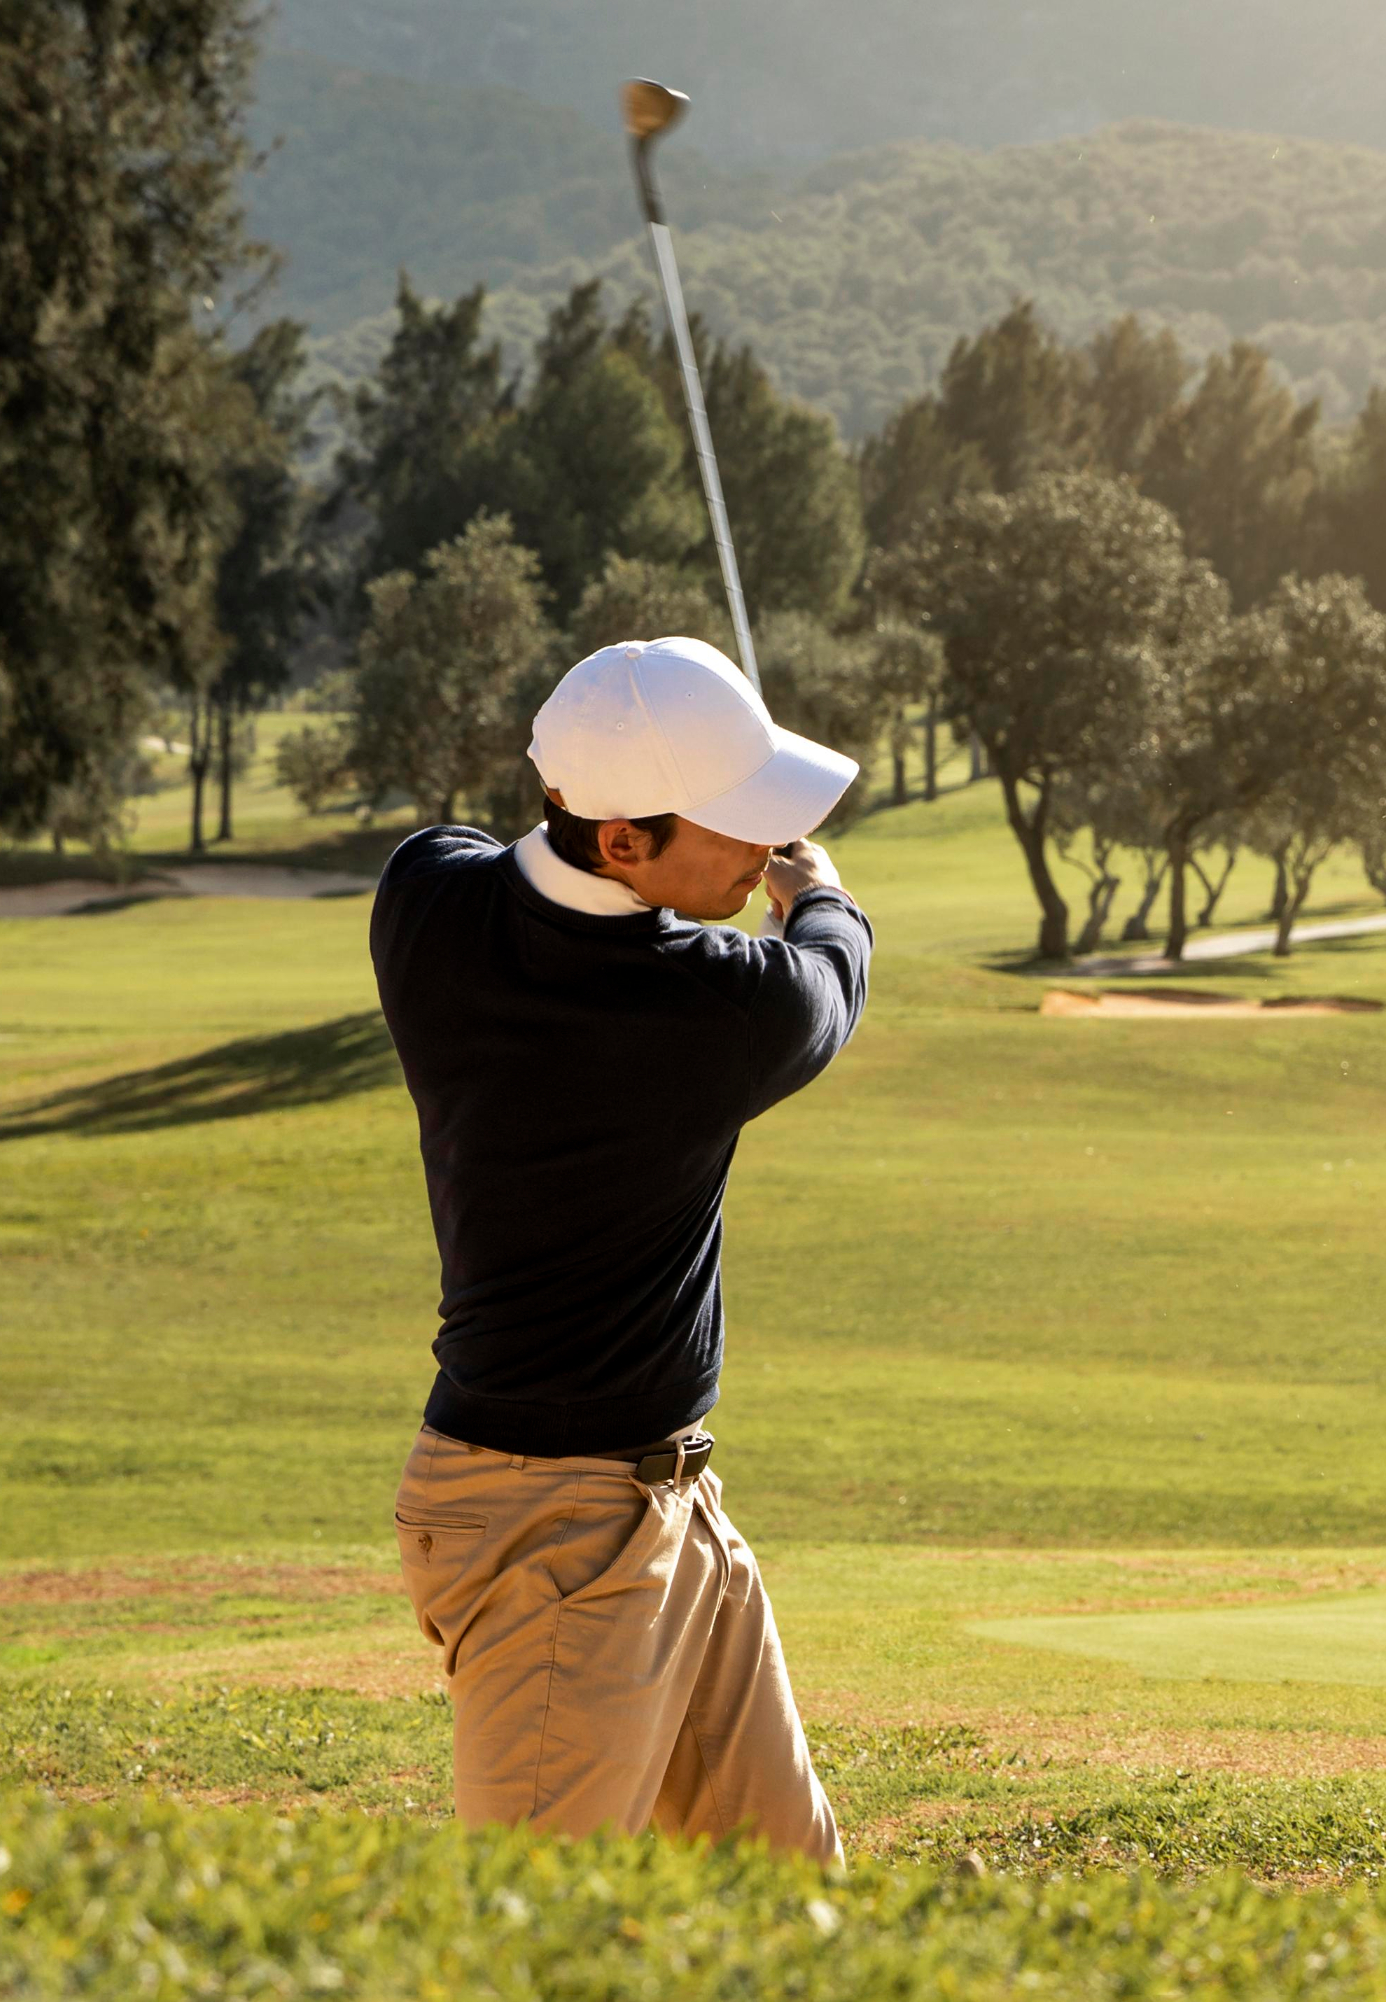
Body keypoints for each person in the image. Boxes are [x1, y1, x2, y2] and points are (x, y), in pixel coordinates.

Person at [366, 635, 868, 1862]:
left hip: (663, 1500)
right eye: (735, 824)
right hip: (550, 1530)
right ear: (626, 839)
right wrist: (818, 889)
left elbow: (503, 860)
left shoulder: (422, 900)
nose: (758, 850)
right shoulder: (721, 1012)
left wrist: (698, 825)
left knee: (788, 1892)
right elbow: (834, 973)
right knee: (535, 1934)